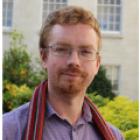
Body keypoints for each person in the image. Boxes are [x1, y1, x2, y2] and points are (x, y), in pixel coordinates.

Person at [3, 6, 124, 140]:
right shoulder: (8, 131)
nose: (74, 61)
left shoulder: (114, 136)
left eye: (85, 51)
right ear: (44, 57)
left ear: (97, 64)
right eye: (61, 49)